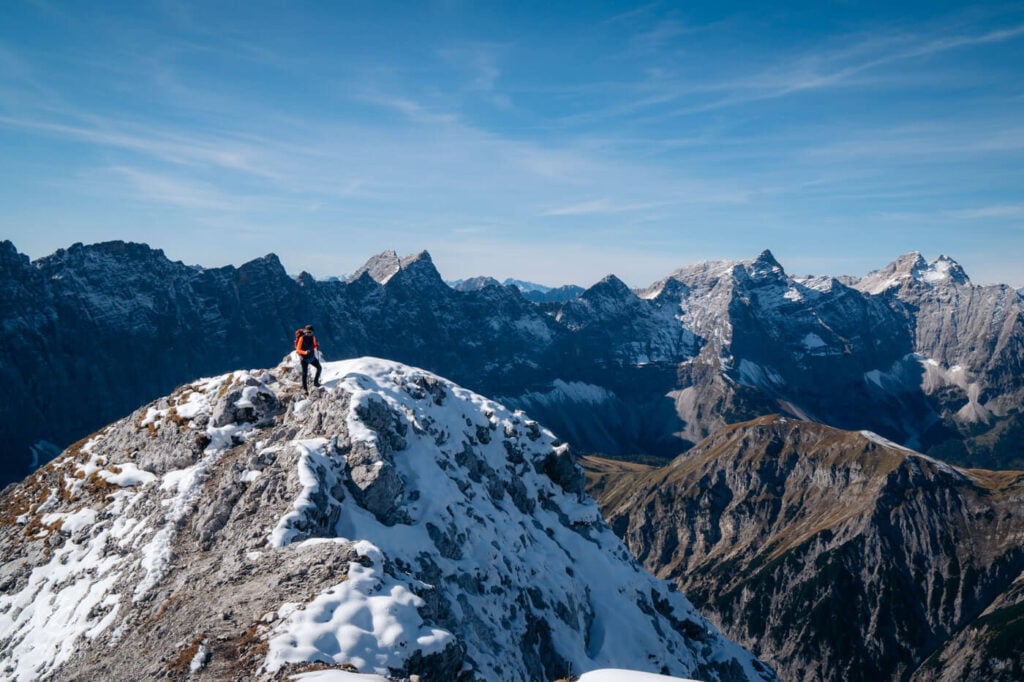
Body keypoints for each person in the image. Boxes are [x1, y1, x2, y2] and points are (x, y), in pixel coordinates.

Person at [294, 324, 322, 391]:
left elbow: (314, 346)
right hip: (304, 359)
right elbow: (298, 349)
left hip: (311, 357)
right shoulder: (302, 338)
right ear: (305, 331)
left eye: (310, 332)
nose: (309, 333)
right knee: (305, 374)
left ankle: (315, 382)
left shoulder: (313, 338)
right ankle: (305, 389)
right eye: (308, 332)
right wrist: (305, 352)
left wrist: (317, 345)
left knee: (319, 368)